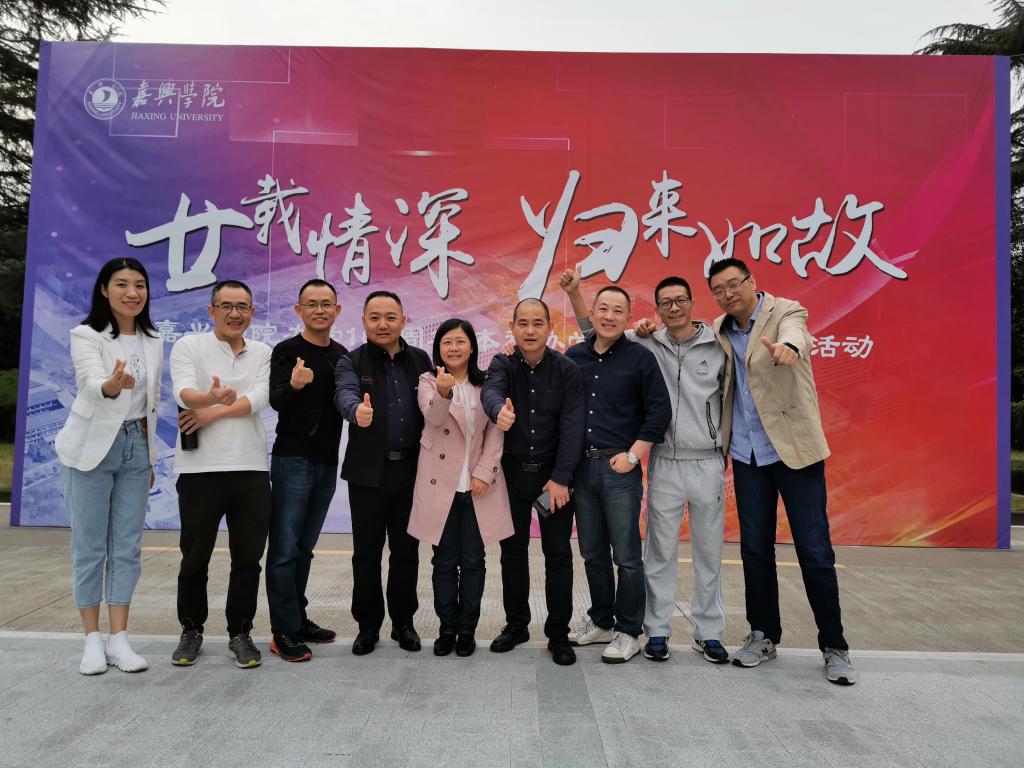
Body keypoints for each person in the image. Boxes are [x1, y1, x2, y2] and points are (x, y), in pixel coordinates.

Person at [561, 270, 729, 664]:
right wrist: (574, 293)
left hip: (675, 462)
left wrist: (633, 455)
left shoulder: (708, 346)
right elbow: (591, 330)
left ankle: (685, 631)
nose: (674, 307)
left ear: (692, 303)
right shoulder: (620, 346)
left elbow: (658, 411)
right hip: (609, 466)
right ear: (655, 310)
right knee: (611, 553)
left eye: (680, 300)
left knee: (646, 555)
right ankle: (630, 627)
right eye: (666, 302)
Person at [708, 257, 856, 685]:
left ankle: (834, 646)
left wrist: (789, 347)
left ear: (751, 281)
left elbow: (797, 333)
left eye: (734, 284)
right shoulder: (719, 329)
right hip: (747, 454)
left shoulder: (786, 310)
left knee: (815, 551)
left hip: (794, 453)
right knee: (754, 550)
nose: (728, 294)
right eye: (719, 290)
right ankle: (763, 635)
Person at [54, 257, 163, 675]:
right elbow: (90, 382)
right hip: (91, 449)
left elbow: (151, 403)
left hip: (136, 446)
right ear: (104, 290)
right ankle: (91, 639)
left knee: (127, 546)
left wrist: (150, 457)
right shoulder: (86, 334)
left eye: (139, 285)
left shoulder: (153, 339)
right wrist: (112, 385)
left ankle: (119, 638)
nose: (132, 293)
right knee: (89, 547)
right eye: (121, 284)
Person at [565, 286, 671, 664]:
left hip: (619, 470)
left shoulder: (640, 358)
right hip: (582, 469)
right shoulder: (574, 357)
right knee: (592, 552)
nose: (609, 316)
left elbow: (659, 412)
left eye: (617, 311)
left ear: (627, 318)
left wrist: (632, 456)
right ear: (592, 313)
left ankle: (629, 631)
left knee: (626, 556)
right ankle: (602, 621)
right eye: (603, 309)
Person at [170, 279, 272, 669]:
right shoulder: (189, 346)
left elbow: (259, 397)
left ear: (252, 312)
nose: (235, 313)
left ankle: (240, 633)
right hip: (200, 470)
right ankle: (191, 630)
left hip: (250, 469)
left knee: (248, 559)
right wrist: (209, 396)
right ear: (211, 310)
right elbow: (183, 392)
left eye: (242, 307)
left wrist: (212, 412)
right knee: (195, 556)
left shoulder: (262, 351)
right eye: (226, 306)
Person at [481, 298, 585, 666]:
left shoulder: (567, 369)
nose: (529, 330)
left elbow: (573, 427)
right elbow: (490, 391)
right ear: (512, 327)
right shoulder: (503, 363)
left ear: (549, 328)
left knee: (558, 555)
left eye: (537, 323)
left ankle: (558, 633)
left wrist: (560, 478)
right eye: (522, 323)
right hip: (511, 476)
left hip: (552, 478)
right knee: (512, 553)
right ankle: (516, 625)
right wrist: (498, 410)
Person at [334, 291, 432, 655]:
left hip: (411, 471)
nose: (383, 324)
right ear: (363, 321)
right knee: (367, 552)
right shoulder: (351, 361)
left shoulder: (420, 359)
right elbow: (344, 393)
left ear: (403, 320)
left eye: (390, 317)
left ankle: (404, 623)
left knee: (406, 551)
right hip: (368, 474)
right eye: (374, 317)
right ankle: (368, 625)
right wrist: (355, 410)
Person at [408, 319, 513, 658]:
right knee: (443, 561)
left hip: (477, 486)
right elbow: (434, 420)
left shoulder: (487, 384)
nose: (453, 348)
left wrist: (484, 473)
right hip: (441, 486)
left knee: (473, 562)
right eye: (447, 342)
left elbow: (495, 431)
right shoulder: (428, 381)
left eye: (460, 341)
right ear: (438, 348)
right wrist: (443, 392)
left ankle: (467, 630)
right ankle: (446, 629)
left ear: (472, 346)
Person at [266, 279, 346, 662]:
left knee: (305, 548)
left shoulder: (342, 356)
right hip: (292, 460)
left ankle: (297, 619)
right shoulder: (286, 351)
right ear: (298, 310)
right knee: (284, 549)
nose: (319, 310)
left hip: (326, 461)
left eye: (326, 304)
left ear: (337, 311)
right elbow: (276, 400)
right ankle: (283, 630)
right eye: (311, 304)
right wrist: (295, 386)